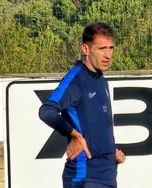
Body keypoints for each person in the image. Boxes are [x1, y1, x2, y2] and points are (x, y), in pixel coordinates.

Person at [39, 22, 125, 188]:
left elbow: (96, 126)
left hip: (107, 175)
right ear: (85, 49)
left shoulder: (102, 81)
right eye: (101, 49)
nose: (108, 55)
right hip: (84, 177)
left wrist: (111, 151)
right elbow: (46, 111)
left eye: (111, 48)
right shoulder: (75, 80)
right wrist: (75, 135)